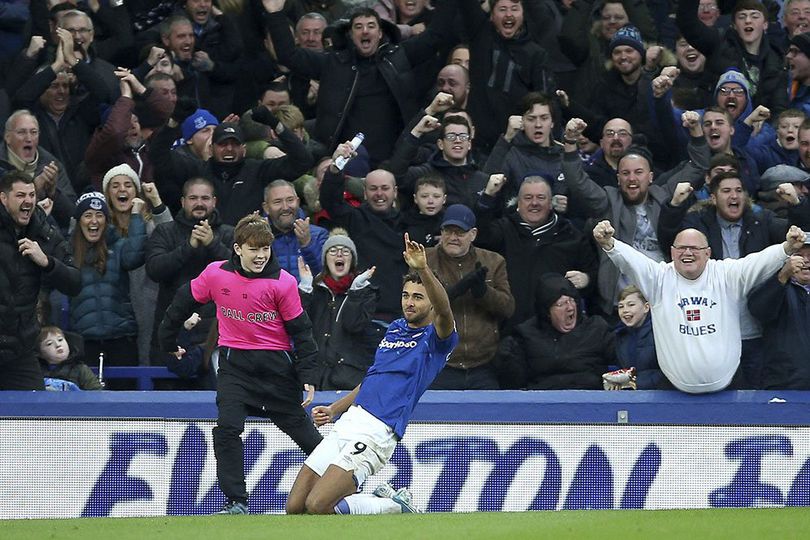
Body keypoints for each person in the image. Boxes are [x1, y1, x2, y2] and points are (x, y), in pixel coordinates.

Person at [159, 214, 323, 515]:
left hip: (277, 370)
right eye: (254, 249)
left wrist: (308, 375)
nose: (261, 256)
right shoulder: (215, 274)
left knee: (309, 439)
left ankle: (354, 483)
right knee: (226, 430)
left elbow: (302, 331)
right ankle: (236, 502)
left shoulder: (283, 283)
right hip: (236, 367)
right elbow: (181, 303)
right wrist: (168, 343)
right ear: (237, 249)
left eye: (265, 249)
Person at [285, 232, 458, 515]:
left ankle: (392, 504)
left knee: (318, 505)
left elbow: (445, 310)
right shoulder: (395, 328)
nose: (409, 302)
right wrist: (334, 409)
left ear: (431, 303)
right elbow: (372, 379)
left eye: (418, 297)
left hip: (379, 429)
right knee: (295, 507)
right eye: (405, 296)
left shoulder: (437, 338)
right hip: (350, 421)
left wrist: (423, 269)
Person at [592, 219, 806, 393]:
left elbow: (759, 261)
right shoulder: (658, 278)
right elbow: (631, 260)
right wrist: (610, 244)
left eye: (694, 248)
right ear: (672, 252)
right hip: (674, 389)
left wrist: (786, 248)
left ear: (708, 253)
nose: (687, 253)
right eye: (681, 248)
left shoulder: (726, 274)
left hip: (729, 386)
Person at [145, 177, 234, 387]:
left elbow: (243, 273)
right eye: (193, 198)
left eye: (205, 198)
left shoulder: (229, 233)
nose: (199, 203)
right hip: (173, 333)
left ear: (214, 201)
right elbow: (155, 270)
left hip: (217, 339)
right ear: (183, 201)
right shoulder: (165, 231)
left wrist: (213, 244)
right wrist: (188, 247)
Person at [0, 170, 81, 390]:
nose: (27, 201)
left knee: (35, 418)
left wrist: (47, 262)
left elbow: (75, 282)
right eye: (20, 196)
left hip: (20, 351)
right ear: (3, 198)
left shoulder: (43, 233)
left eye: (31, 195)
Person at [426, 204, 514, 389]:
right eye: (448, 231)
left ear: (473, 234)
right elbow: (418, 310)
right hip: (439, 364)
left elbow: (507, 308)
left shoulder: (494, 261)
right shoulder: (424, 261)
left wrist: (483, 292)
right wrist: (456, 290)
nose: (452, 238)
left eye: (460, 232)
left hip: (483, 366)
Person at [69, 191, 146, 389]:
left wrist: (136, 216)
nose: (93, 221)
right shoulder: (67, 251)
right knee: (87, 407)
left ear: (106, 219)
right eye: (87, 215)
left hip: (121, 338)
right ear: (78, 221)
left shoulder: (119, 246)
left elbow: (135, 255)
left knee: (126, 403)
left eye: (99, 215)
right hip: (84, 341)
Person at [496, 273, 616, 389]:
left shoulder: (596, 328)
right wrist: (507, 361)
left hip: (591, 398)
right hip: (544, 401)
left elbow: (623, 362)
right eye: (560, 304)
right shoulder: (526, 334)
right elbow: (514, 383)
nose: (569, 307)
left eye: (572, 300)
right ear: (547, 311)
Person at [298, 230, 380, 390]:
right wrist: (305, 288)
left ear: (353, 260)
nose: (339, 255)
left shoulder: (366, 292)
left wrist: (355, 292)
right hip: (315, 379)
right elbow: (298, 325)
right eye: (333, 251)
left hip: (348, 379)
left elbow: (353, 325)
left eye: (345, 251)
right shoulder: (314, 290)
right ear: (325, 259)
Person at [748, 236, 810, 389]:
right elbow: (758, 311)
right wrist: (783, 275)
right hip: (785, 385)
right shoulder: (777, 286)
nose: (806, 261)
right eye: (799, 256)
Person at [263, 179, 328, 281]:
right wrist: (262, 244)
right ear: (266, 208)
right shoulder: (258, 238)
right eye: (277, 202)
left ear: (297, 202)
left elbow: (324, 276)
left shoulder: (319, 234)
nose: (285, 207)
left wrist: (307, 244)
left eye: (290, 200)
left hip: (309, 295)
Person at [613, 285, 662, 389]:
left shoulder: (661, 332)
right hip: (633, 395)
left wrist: (636, 383)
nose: (625, 310)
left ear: (646, 307)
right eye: (621, 306)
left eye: (631, 305)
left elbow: (667, 373)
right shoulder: (620, 335)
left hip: (660, 394)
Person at [37, 325, 103, 391]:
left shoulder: (80, 369)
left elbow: (97, 393)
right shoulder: (36, 371)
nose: (58, 345)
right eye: (49, 344)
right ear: (40, 353)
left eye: (60, 340)